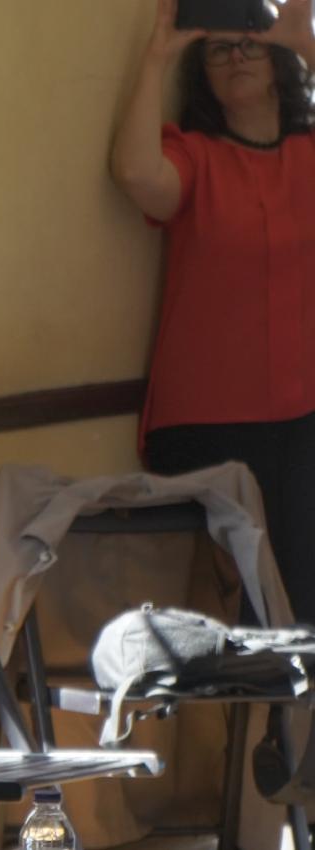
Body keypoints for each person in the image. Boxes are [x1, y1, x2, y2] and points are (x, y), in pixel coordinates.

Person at [111, 0, 315, 621]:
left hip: (303, 418)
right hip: (207, 422)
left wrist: (308, 44)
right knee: (235, 618)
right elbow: (137, 173)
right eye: (219, 50)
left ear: (277, 62)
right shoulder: (195, 155)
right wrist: (156, 57)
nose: (236, 58)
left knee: (304, 606)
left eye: (250, 44)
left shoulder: (308, 154)